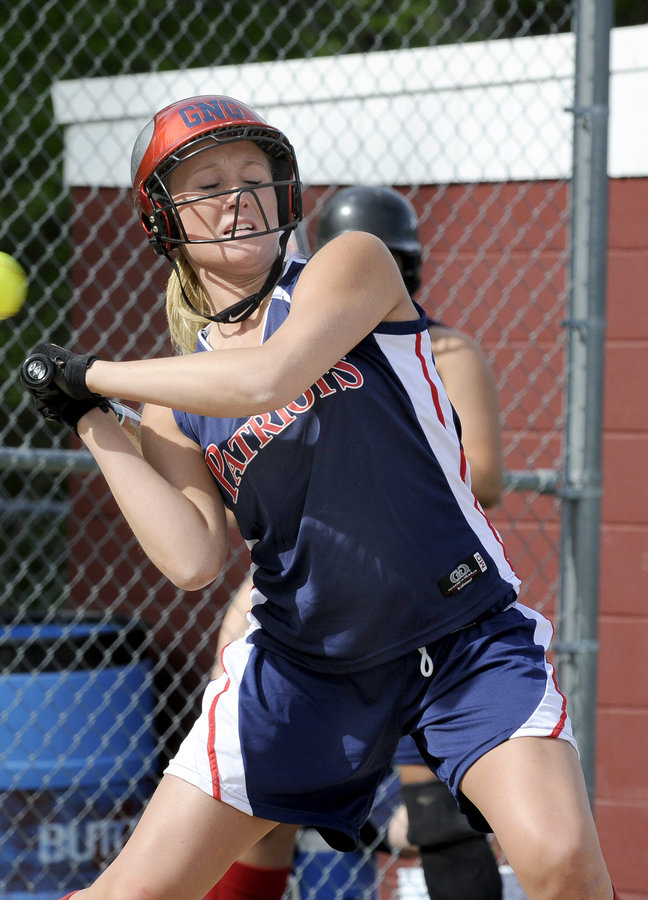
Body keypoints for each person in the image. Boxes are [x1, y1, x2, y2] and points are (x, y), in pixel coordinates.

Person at [21, 94, 619, 900]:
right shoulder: (171, 397)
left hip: (464, 638)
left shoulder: (349, 266)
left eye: (252, 177)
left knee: (562, 865)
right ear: (165, 220)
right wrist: (90, 419)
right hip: (307, 667)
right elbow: (194, 559)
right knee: (128, 894)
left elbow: (267, 375)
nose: (237, 197)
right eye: (205, 186)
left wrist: (92, 373)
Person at [208, 184, 506, 900]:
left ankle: (394, 818)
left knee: (439, 812)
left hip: (420, 588)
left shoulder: (437, 346)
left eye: (399, 272)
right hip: (314, 597)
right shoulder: (291, 355)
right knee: (260, 810)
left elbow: (486, 473)